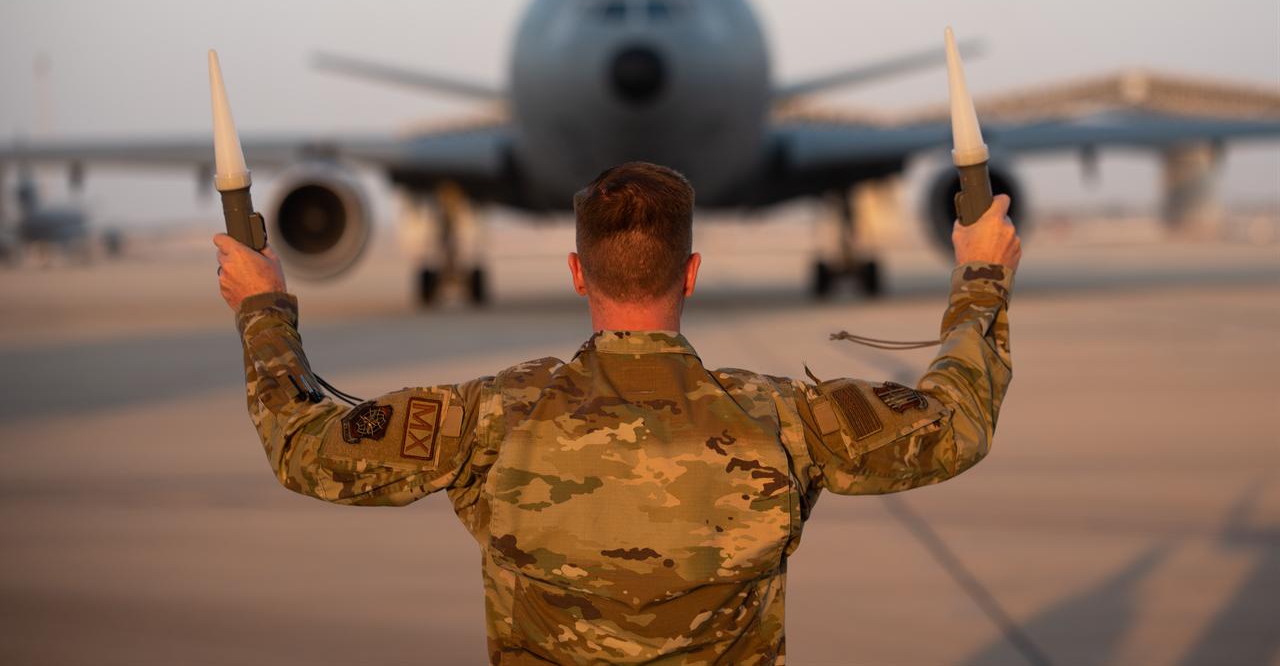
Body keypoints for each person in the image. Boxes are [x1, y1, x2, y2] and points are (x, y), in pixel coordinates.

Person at [215, 161, 1021, 665]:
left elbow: (306, 446)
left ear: (576, 270)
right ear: (692, 271)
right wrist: (981, 277)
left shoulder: (493, 420)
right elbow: (955, 422)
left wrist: (263, 309)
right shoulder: (782, 420)